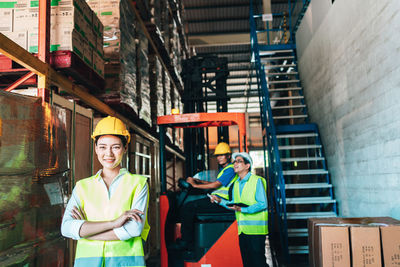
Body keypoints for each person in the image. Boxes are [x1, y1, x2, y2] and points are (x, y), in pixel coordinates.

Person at [61, 116, 150, 267]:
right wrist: (114, 223)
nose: (108, 153)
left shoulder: (138, 184)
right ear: (95, 148)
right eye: (102, 147)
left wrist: (86, 231)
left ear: (125, 148)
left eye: (115, 147)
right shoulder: (82, 187)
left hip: (125, 263)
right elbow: (66, 228)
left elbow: (133, 229)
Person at [170, 142, 237, 250]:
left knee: (188, 207)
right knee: (191, 205)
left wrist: (195, 185)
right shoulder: (225, 170)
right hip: (216, 199)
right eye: (217, 156)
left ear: (229, 156)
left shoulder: (230, 169)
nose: (219, 158)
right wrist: (199, 181)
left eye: (222, 155)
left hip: (222, 202)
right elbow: (217, 183)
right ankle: (189, 240)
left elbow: (216, 185)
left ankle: (186, 242)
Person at [210, 152, 269, 267]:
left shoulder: (256, 181)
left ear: (247, 166)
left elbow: (262, 204)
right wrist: (220, 201)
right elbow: (234, 204)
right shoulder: (236, 184)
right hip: (242, 230)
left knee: (259, 263)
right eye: (234, 161)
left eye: (239, 161)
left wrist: (243, 210)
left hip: (256, 230)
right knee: (247, 263)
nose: (235, 164)